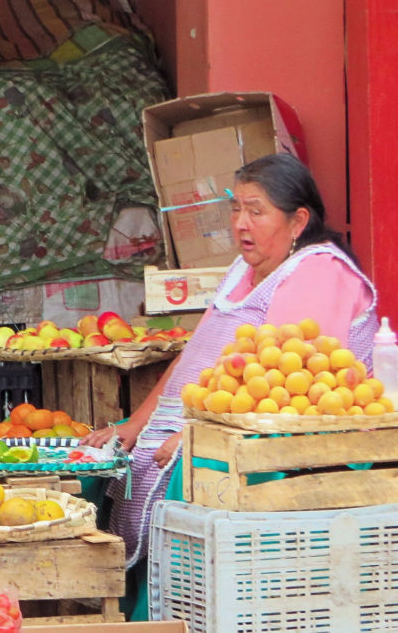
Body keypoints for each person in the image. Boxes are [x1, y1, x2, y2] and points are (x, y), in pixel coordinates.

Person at [81, 152, 379, 619]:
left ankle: (172, 617)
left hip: (281, 445)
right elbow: (195, 357)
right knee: (103, 460)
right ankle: (122, 610)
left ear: (299, 220)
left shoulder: (320, 272)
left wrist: (196, 435)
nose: (240, 223)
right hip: (211, 421)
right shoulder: (245, 269)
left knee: (183, 473)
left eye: (256, 211)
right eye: (235, 208)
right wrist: (137, 421)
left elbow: (282, 386)